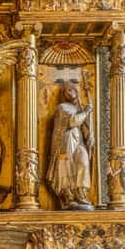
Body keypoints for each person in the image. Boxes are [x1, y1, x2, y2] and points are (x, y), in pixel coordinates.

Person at [46, 81, 93, 209]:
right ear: (63, 94)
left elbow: (86, 128)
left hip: (78, 141)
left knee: (83, 162)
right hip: (65, 142)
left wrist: (90, 136)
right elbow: (73, 121)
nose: (70, 92)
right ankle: (68, 197)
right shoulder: (62, 108)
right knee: (66, 166)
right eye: (67, 90)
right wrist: (87, 112)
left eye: (72, 89)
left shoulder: (80, 108)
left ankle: (81, 194)